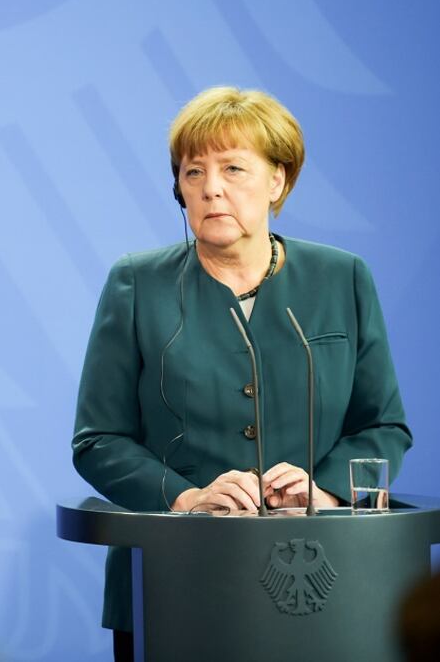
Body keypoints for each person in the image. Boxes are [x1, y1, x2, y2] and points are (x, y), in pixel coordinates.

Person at [70, 86, 411, 661]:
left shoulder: (342, 278)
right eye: (193, 171)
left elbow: (383, 426)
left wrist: (323, 489)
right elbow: (98, 439)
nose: (211, 188)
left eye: (233, 168)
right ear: (177, 189)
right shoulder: (137, 284)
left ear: (278, 181)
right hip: (171, 581)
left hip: (324, 581)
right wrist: (185, 499)